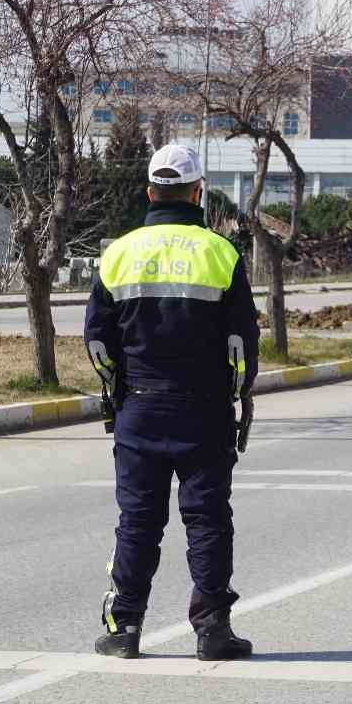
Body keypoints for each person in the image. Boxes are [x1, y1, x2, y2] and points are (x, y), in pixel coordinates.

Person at [83, 144, 260, 662]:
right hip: (204, 411)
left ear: (150, 192)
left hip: (138, 406)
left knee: (137, 521)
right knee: (207, 519)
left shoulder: (117, 254)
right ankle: (212, 631)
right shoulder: (221, 253)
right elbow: (242, 345)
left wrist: (118, 390)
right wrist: (236, 396)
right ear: (197, 193)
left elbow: (97, 341)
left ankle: (124, 629)